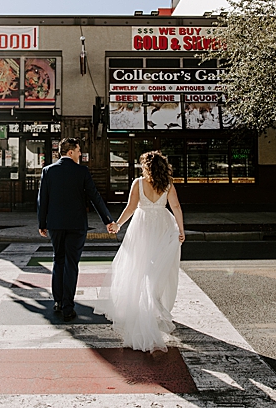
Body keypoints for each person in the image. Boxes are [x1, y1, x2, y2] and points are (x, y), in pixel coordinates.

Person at [106, 149, 185, 352]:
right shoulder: (167, 184)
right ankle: (154, 303)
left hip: (141, 227)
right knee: (157, 269)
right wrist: (181, 230)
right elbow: (176, 207)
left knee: (138, 268)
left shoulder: (138, 183)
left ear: (146, 167)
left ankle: (144, 307)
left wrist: (118, 224)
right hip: (163, 226)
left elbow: (131, 208)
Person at [37, 137, 112, 322]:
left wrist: (42, 223)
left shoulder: (48, 171)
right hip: (76, 225)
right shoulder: (82, 171)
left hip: (55, 224)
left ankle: (58, 301)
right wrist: (107, 220)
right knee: (71, 263)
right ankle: (68, 307)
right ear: (70, 152)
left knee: (58, 259)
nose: (80, 154)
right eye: (78, 151)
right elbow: (94, 196)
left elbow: (42, 199)